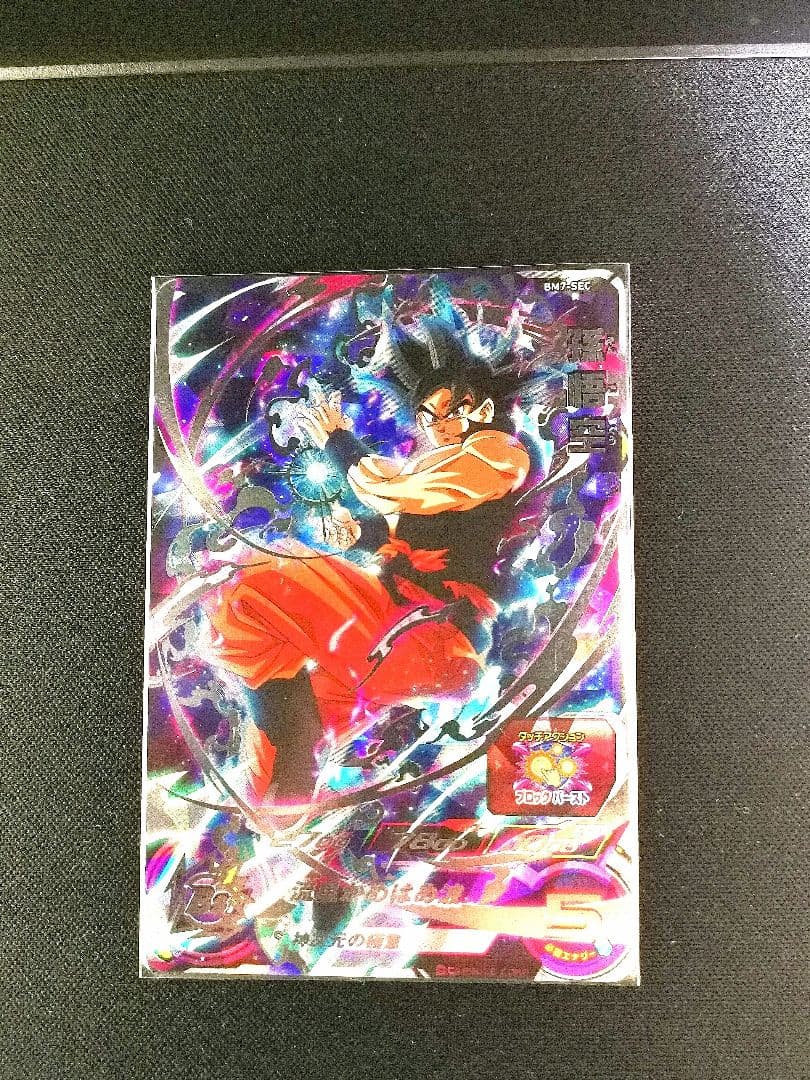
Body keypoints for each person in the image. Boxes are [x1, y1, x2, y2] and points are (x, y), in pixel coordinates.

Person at [206, 334, 531, 804]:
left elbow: (395, 491)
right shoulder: (438, 469)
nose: (438, 426)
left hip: (433, 639)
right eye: (428, 416)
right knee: (289, 737)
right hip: (397, 629)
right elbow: (410, 525)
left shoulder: (501, 454)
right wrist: (358, 533)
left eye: (451, 411)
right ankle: (277, 807)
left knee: (251, 576)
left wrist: (338, 441)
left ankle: (283, 786)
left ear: (482, 409)